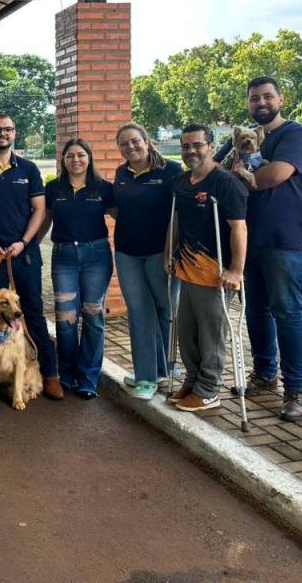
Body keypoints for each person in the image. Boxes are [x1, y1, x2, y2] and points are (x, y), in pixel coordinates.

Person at [215, 76, 302, 422]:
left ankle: (295, 390)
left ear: (280, 99)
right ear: (248, 103)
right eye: (254, 98)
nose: (261, 103)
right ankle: (264, 374)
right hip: (247, 239)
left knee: (288, 312)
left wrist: (238, 180)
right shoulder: (237, 139)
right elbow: (214, 170)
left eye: (267, 97)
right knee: (256, 311)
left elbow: (276, 174)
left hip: (285, 237)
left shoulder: (295, 134)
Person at [0, 114, 64, 400]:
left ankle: (50, 374)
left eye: (8, 129)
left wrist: (23, 242)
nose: (2, 134)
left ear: (15, 133)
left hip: (23, 256)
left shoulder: (28, 169)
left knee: (33, 313)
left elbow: (39, 210)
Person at [168, 124, 247, 413]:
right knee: (187, 332)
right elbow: (176, 221)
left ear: (211, 147)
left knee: (211, 334)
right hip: (187, 270)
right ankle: (192, 381)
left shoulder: (225, 184)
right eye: (186, 146)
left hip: (215, 273)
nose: (191, 151)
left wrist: (236, 270)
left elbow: (238, 228)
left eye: (197, 145)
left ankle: (209, 388)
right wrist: (169, 252)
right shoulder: (181, 182)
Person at [37, 138, 114, 399]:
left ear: (89, 158)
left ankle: (89, 378)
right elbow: (44, 221)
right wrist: (30, 247)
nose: (76, 160)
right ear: (63, 160)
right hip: (64, 257)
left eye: (81, 155)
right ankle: (67, 375)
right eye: (70, 156)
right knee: (65, 318)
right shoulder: (53, 188)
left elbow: (125, 216)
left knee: (93, 316)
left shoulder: (103, 188)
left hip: (97, 256)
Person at [112, 123, 184, 401]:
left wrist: (173, 249)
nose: (130, 147)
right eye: (124, 143)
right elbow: (119, 208)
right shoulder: (122, 173)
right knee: (140, 311)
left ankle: (164, 368)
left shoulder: (171, 170)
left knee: (165, 309)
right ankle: (146, 376)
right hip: (127, 252)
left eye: (134, 141)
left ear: (146, 140)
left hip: (160, 253)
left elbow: (181, 211)